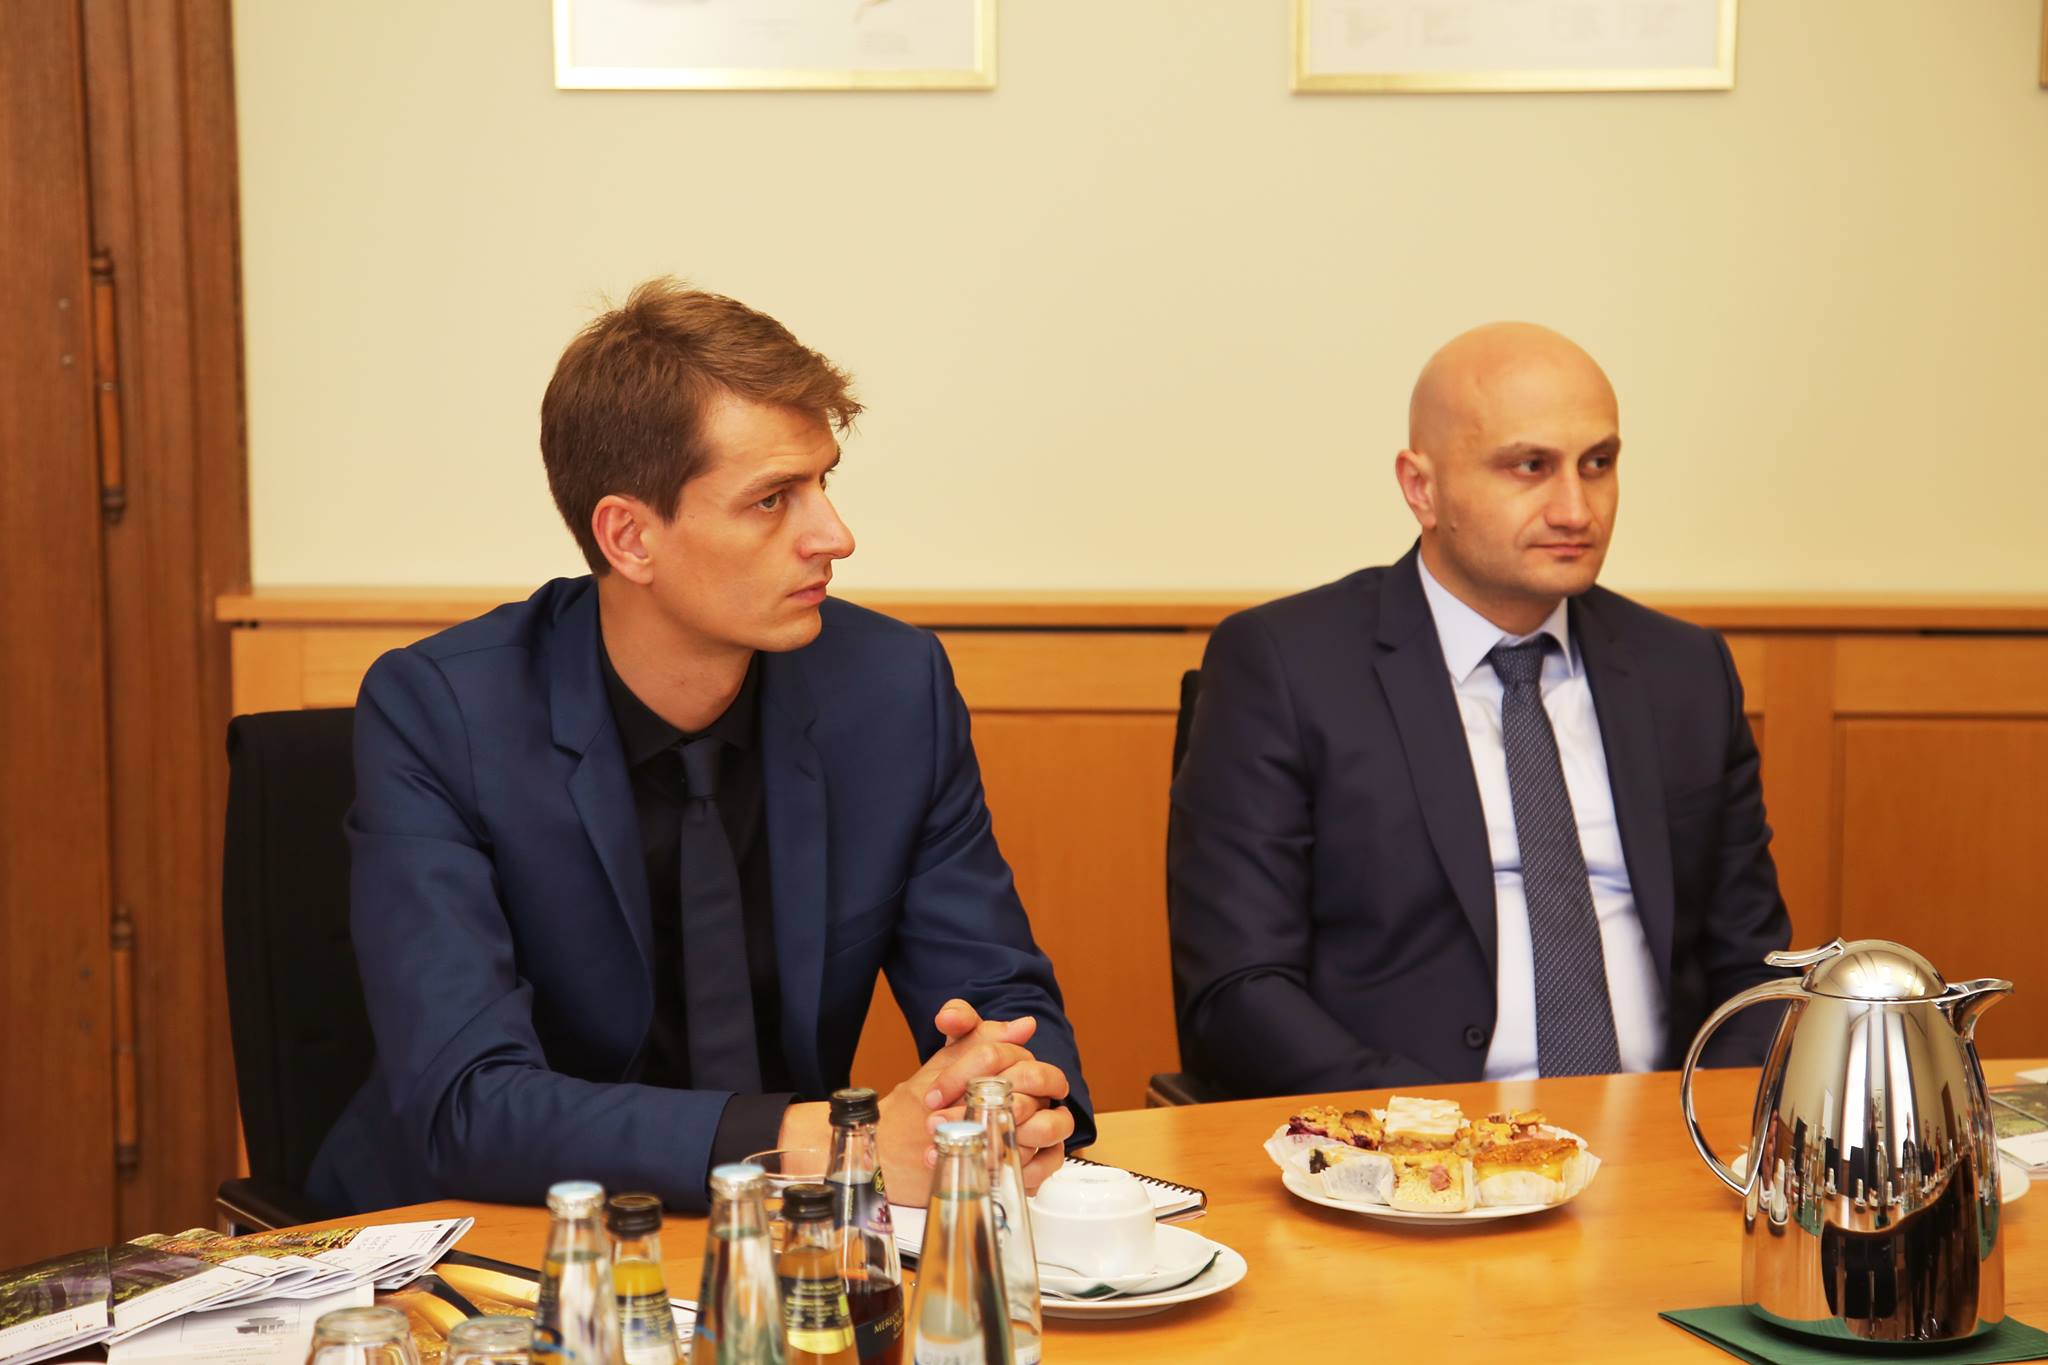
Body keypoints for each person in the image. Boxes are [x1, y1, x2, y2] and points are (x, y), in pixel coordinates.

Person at [309, 279, 1090, 1215]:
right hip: (493, 1232)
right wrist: (830, 1143)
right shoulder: (444, 712)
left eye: (824, 483)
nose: (835, 536)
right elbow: (469, 1105)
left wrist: (1009, 1095)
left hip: (798, 1239)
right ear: (630, 537)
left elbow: (1000, 995)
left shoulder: (891, 690)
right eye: (772, 499)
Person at [1168, 321, 1791, 1098]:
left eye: (1598, 464)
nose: (1576, 509)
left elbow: (1755, 969)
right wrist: (1441, 1131)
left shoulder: (1685, 672)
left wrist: (1710, 1124)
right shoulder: (1287, 667)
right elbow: (1239, 991)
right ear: (1420, 487)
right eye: (1530, 467)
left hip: (1661, 1134)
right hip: (1403, 1140)